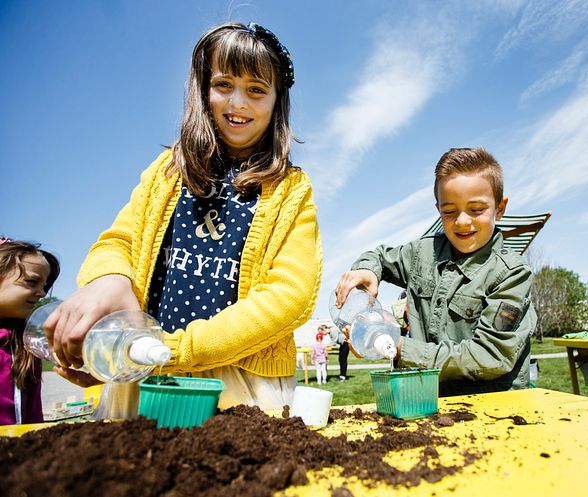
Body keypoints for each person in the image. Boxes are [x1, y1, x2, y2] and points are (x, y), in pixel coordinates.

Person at [43, 22, 322, 418]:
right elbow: (118, 242)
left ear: (278, 102)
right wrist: (109, 281)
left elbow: (289, 295)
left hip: (243, 384)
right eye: (224, 85)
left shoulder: (292, 188)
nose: (238, 103)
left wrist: (176, 351)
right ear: (203, 89)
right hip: (144, 375)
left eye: (257, 90)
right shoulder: (167, 170)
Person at [335, 147, 536, 396]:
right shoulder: (422, 253)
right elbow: (378, 257)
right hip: (426, 400)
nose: (462, 221)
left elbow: (491, 355)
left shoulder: (512, 275)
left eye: (476, 209)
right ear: (438, 208)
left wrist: (400, 348)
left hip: (493, 407)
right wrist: (367, 271)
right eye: (449, 211)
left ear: (500, 208)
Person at [0, 239, 60, 424]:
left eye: (44, 286)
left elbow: (34, 418)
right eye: (32, 281)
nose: (42, 293)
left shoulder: (27, 348)